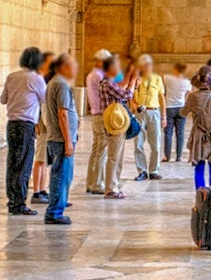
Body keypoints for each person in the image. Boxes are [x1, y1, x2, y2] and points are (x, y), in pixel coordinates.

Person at [0, 46, 45, 216]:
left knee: (12, 163)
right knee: (23, 165)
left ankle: (12, 200)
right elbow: (45, 98)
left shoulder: (12, 76)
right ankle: (19, 203)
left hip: (11, 124)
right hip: (26, 125)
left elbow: (3, 99)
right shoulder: (36, 79)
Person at [96, 54, 140, 198]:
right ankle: (110, 189)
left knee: (117, 155)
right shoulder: (106, 84)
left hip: (115, 123)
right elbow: (126, 95)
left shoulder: (110, 83)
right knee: (114, 156)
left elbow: (121, 88)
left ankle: (113, 185)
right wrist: (133, 81)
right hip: (113, 124)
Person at [44, 53, 80, 225]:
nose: (75, 69)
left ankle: (58, 206)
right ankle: (54, 213)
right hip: (61, 139)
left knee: (62, 175)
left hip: (58, 137)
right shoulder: (61, 84)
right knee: (61, 175)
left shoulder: (54, 82)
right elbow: (62, 114)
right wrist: (67, 140)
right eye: (72, 66)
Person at [184, 65, 211, 188]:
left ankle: (201, 199)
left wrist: (187, 99)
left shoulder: (193, 96)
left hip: (199, 136)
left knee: (199, 169)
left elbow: (183, 113)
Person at [132, 54, 166, 181]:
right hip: (140, 113)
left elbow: (162, 98)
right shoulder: (136, 79)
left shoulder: (157, 79)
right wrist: (135, 107)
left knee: (155, 143)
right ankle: (142, 170)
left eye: (148, 65)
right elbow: (131, 97)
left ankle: (154, 170)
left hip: (153, 112)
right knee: (138, 143)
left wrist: (164, 116)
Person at [85, 49, 113, 194]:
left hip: (96, 115)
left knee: (95, 150)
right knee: (101, 151)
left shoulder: (92, 74)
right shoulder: (98, 76)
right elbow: (116, 85)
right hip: (101, 115)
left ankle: (91, 182)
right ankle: (97, 184)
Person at [30, 51, 56, 203]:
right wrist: (37, 123)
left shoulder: (46, 81)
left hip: (46, 125)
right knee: (40, 159)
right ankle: (36, 192)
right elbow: (39, 105)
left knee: (45, 160)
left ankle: (42, 189)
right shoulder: (39, 80)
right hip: (44, 126)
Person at [163, 62, 191, 163]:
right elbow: (188, 93)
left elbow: (162, 76)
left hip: (169, 107)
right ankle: (178, 156)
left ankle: (167, 156)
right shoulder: (187, 81)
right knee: (180, 133)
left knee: (168, 132)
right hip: (181, 107)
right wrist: (183, 99)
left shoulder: (168, 78)